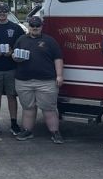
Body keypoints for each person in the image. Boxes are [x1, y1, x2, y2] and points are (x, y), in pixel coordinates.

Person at [13, 16, 65, 144]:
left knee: (49, 109)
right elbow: (14, 54)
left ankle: (55, 132)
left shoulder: (50, 41)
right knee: (28, 108)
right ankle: (27, 131)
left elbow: (58, 58)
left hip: (46, 81)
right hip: (23, 80)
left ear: (41, 27)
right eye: (32, 26)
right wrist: (15, 58)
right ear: (29, 26)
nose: (35, 28)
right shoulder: (21, 39)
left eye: (37, 26)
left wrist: (59, 75)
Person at [0, 2, 25, 136]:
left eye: (4, 11)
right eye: (0, 12)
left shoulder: (16, 28)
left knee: (12, 96)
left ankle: (14, 123)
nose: (2, 14)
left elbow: (22, 44)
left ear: (8, 12)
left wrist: (13, 51)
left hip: (11, 68)